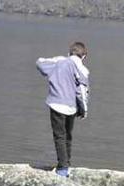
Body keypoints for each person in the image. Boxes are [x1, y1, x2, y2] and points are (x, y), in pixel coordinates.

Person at [36, 41, 90, 177]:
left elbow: (40, 63)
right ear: (84, 56)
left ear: (69, 53)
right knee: (68, 136)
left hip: (56, 104)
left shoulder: (59, 62)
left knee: (59, 136)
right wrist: (84, 109)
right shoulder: (82, 70)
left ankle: (63, 167)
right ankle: (66, 163)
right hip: (71, 107)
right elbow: (82, 91)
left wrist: (59, 58)